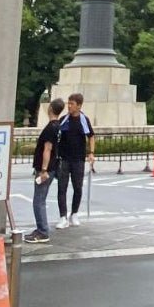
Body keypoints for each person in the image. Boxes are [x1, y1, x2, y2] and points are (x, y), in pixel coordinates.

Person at [25, 98, 64, 244]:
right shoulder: (58, 127)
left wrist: (43, 169)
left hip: (46, 168)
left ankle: (42, 231)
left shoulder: (50, 128)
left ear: (50, 109)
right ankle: (41, 229)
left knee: (38, 200)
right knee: (41, 198)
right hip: (54, 166)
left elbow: (47, 149)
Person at [55, 92, 95, 229]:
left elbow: (91, 136)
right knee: (62, 187)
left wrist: (91, 152)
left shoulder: (84, 120)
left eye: (72, 104)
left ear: (79, 106)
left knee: (78, 187)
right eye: (69, 103)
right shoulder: (64, 120)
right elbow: (56, 136)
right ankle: (62, 216)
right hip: (64, 158)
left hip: (78, 159)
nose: (69, 106)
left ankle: (74, 213)